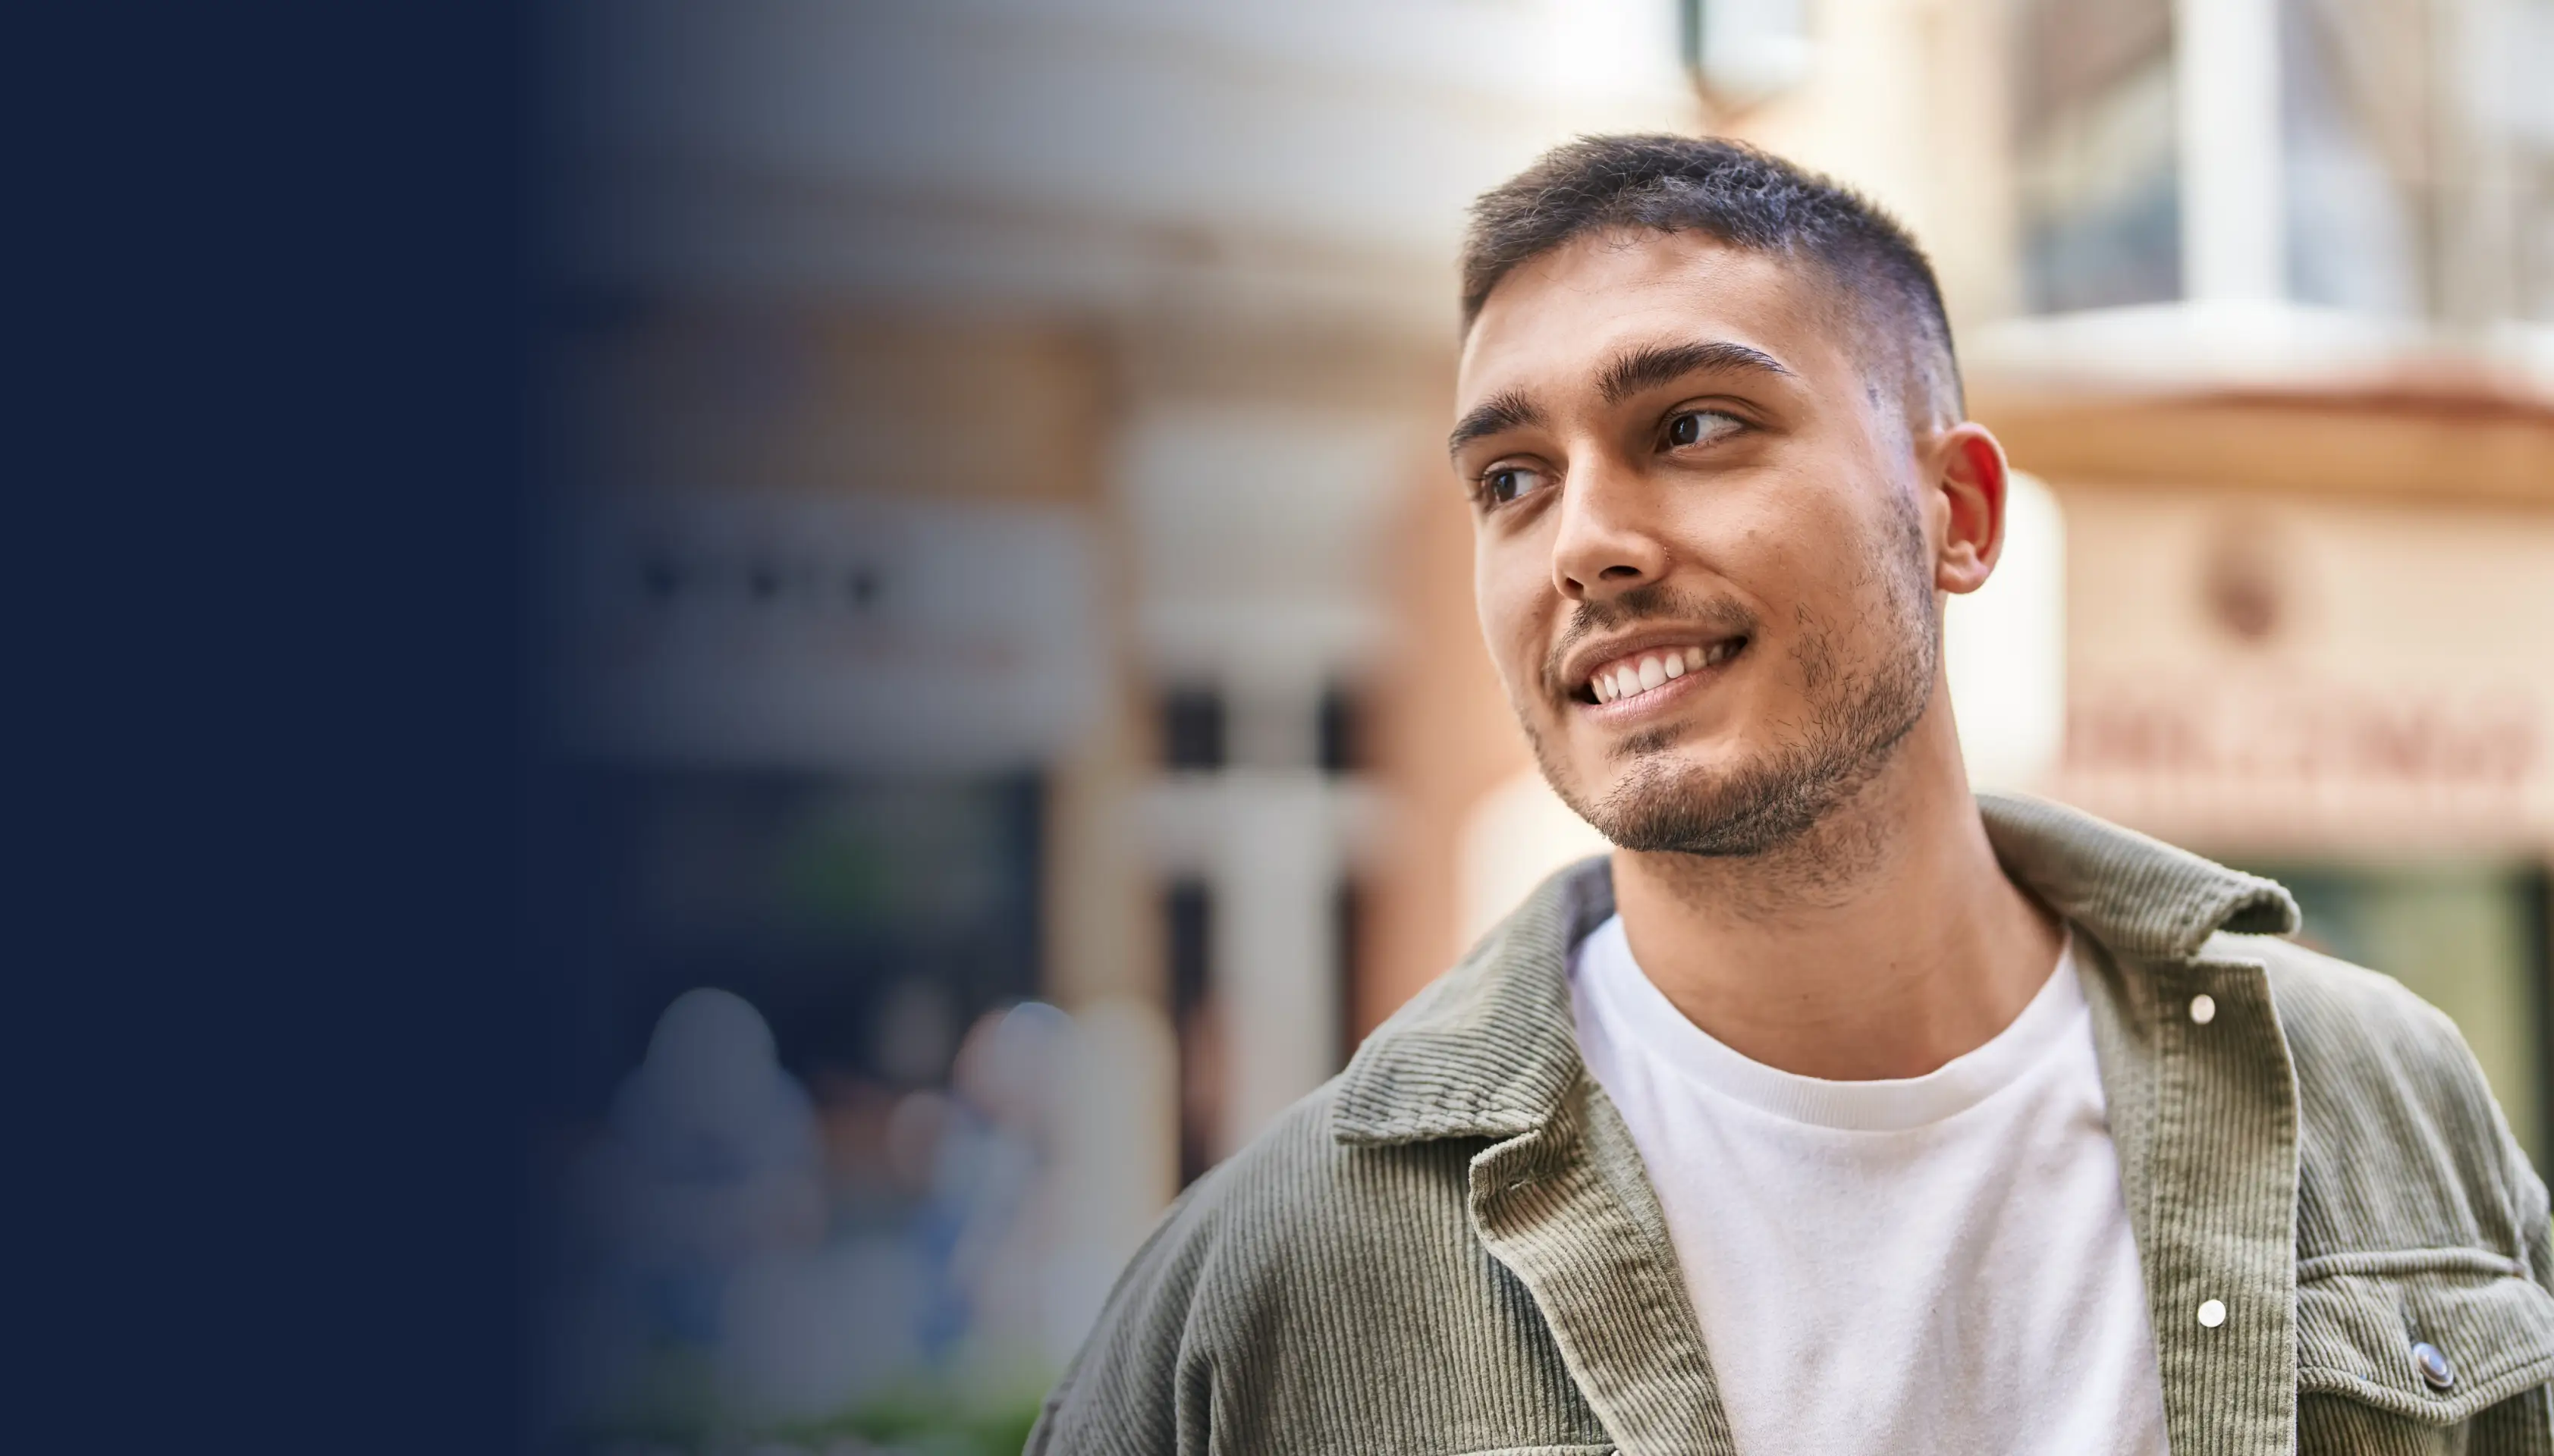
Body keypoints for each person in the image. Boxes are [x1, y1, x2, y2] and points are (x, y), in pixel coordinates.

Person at [1026, 134, 2554, 1455]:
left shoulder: (2378, 1095)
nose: (1583, 544)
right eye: (1511, 480)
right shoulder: (1281, 1278)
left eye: (1693, 426)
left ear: (1955, 513)